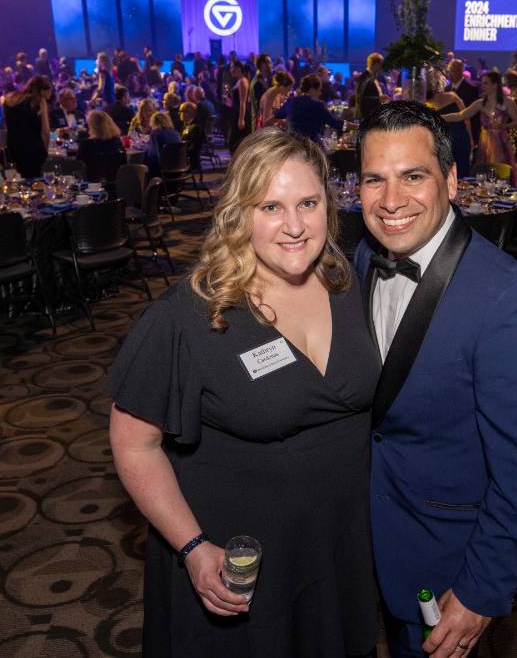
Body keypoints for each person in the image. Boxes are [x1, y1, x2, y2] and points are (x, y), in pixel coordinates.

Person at [106, 127, 379, 657]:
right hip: (237, 563)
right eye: (270, 207)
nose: (295, 226)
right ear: (238, 214)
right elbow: (133, 443)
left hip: (335, 545)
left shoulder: (349, 285)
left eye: (308, 202)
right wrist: (190, 547)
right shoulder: (191, 315)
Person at [353, 101, 517, 657]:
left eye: (412, 176)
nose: (391, 201)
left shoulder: (512, 303)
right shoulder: (363, 257)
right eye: (375, 179)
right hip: (364, 531)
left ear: (450, 179)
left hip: (447, 557)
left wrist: (481, 588)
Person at [441, 71, 517, 185]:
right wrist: (439, 116)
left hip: (501, 143)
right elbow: (460, 115)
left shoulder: (508, 102)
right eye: (482, 83)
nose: (483, 86)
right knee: (483, 175)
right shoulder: (480, 103)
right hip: (485, 144)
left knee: (501, 175)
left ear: (495, 85)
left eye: (486, 83)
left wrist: (504, 126)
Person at [272, 74, 345, 145]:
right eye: (319, 90)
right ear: (312, 89)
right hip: (312, 147)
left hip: (293, 146)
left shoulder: (291, 101)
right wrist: (354, 126)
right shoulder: (318, 105)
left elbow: (277, 114)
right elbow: (335, 123)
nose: (320, 93)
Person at [4, 75, 52, 178]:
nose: (49, 96)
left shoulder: (10, 99)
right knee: (35, 181)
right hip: (33, 149)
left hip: (13, 147)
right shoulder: (39, 102)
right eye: (48, 92)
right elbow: (45, 131)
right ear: (42, 90)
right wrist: (46, 151)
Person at [429, 73, 472, 178]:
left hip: (452, 139)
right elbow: (466, 118)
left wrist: (470, 138)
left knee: (451, 173)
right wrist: (470, 138)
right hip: (452, 139)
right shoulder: (451, 96)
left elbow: (465, 117)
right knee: (458, 172)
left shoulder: (451, 96)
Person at [444, 59, 480, 151]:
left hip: (464, 134)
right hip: (449, 134)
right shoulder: (446, 89)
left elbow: (474, 116)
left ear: (460, 71)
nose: (450, 74)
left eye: (453, 70)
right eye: (449, 71)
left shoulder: (471, 89)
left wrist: (473, 137)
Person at [78, 110, 126, 177]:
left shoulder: (86, 144)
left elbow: (79, 167)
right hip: (116, 182)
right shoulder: (117, 142)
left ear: (92, 126)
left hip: (92, 183)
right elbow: (124, 164)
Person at [144, 111, 181, 177]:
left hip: (162, 168)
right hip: (178, 166)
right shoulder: (175, 132)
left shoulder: (155, 133)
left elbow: (152, 153)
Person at [228, 60, 252, 152]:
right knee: (234, 142)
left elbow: (243, 101)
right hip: (236, 112)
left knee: (236, 142)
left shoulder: (242, 81)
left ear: (238, 68)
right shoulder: (239, 81)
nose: (231, 70)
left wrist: (241, 119)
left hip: (241, 114)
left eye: (232, 67)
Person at [355, 52, 386, 120]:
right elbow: (361, 99)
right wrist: (378, 99)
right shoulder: (364, 77)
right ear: (376, 64)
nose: (381, 68)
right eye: (381, 65)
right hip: (367, 116)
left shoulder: (372, 77)